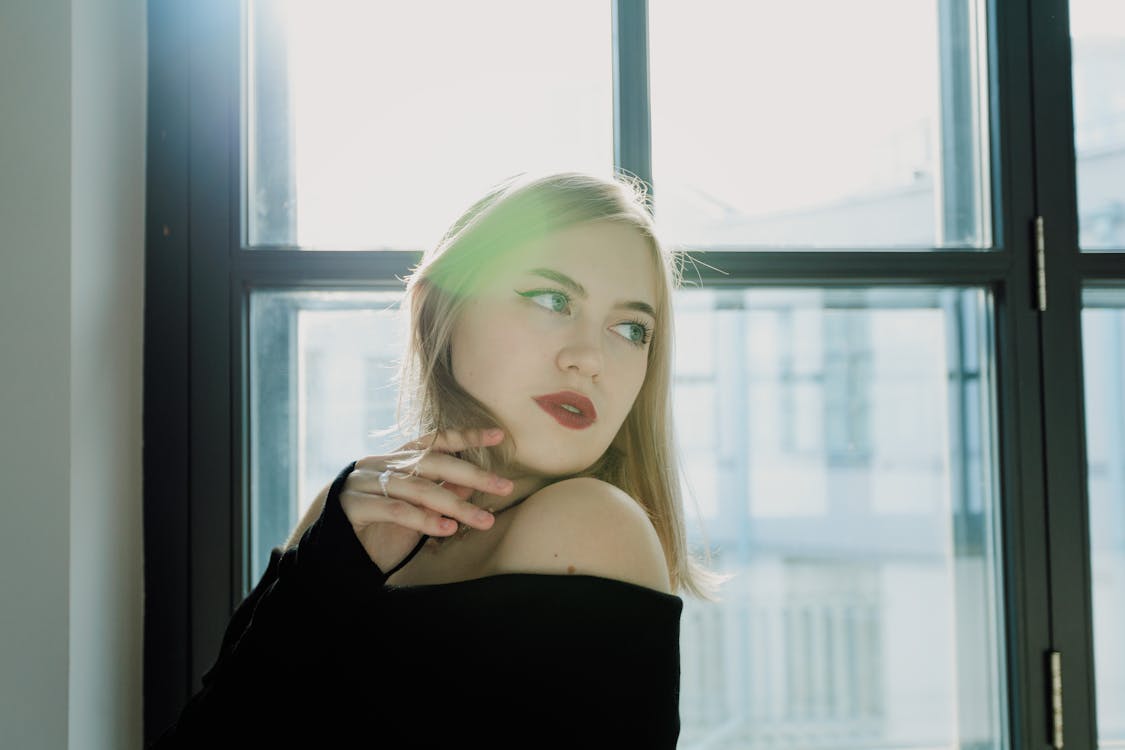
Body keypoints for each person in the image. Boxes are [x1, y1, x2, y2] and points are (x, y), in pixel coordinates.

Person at [149, 171, 725, 748]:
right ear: (437, 307)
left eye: (631, 329)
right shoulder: (347, 514)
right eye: (553, 299)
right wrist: (329, 570)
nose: (590, 358)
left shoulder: (593, 524)